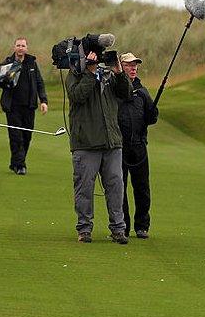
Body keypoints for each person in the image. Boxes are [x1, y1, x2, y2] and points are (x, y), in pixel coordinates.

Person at [66, 50, 132, 244]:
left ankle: (118, 229)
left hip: (111, 141)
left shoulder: (110, 76)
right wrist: (89, 73)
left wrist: (119, 73)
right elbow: (77, 96)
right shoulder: (75, 75)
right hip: (86, 142)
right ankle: (84, 229)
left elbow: (127, 93)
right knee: (84, 187)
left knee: (116, 186)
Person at [117, 52, 159, 239]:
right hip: (119, 147)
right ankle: (122, 226)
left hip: (139, 146)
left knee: (142, 187)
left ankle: (142, 226)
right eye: (129, 65)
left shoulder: (142, 92)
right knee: (120, 188)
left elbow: (152, 119)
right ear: (121, 67)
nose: (133, 68)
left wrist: (152, 112)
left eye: (135, 65)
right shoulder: (114, 90)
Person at [0, 37, 48, 175]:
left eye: (23, 45)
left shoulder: (32, 63)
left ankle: (15, 163)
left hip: (29, 106)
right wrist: (6, 77)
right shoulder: (7, 63)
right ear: (14, 48)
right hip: (12, 107)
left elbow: (39, 82)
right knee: (16, 136)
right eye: (18, 45)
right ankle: (20, 165)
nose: (20, 48)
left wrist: (43, 101)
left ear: (26, 48)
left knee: (27, 136)